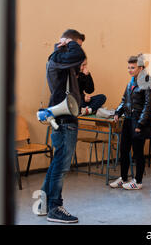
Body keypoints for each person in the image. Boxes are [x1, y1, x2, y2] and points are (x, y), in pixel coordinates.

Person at [38, 29, 86, 223]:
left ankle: (43, 203)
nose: (79, 49)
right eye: (77, 44)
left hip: (64, 117)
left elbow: (79, 60)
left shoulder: (63, 63)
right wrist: (69, 43)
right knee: (61, 166)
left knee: (57, 162)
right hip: (65, 118)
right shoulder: (58, 57)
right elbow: (79, 54)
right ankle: (55, 208)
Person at [109, 54, 151, 190]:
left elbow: (148, 105)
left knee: (138, 152)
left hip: (139, 122)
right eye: (128, 67)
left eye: (133, 67)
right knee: (124, 150)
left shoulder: (149, 82)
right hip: (128, 120)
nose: (130, 70)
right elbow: (124, 100)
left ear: (141, 68)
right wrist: (118, 112)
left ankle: (138, 181)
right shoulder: (131, 82)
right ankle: (123, 178)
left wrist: (140, 124)